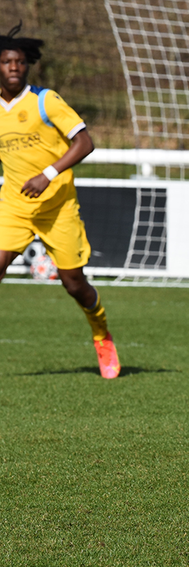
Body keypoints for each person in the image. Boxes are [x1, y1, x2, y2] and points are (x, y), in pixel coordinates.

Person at [0, 23, 120, 379]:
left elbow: (85, 142)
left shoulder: (44, 100)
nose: (14, 68)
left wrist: (47, 174)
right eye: (7, 61)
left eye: (20, 62)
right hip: (14, 207)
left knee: (74, 284)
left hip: (57, 207)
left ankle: (101, 333)